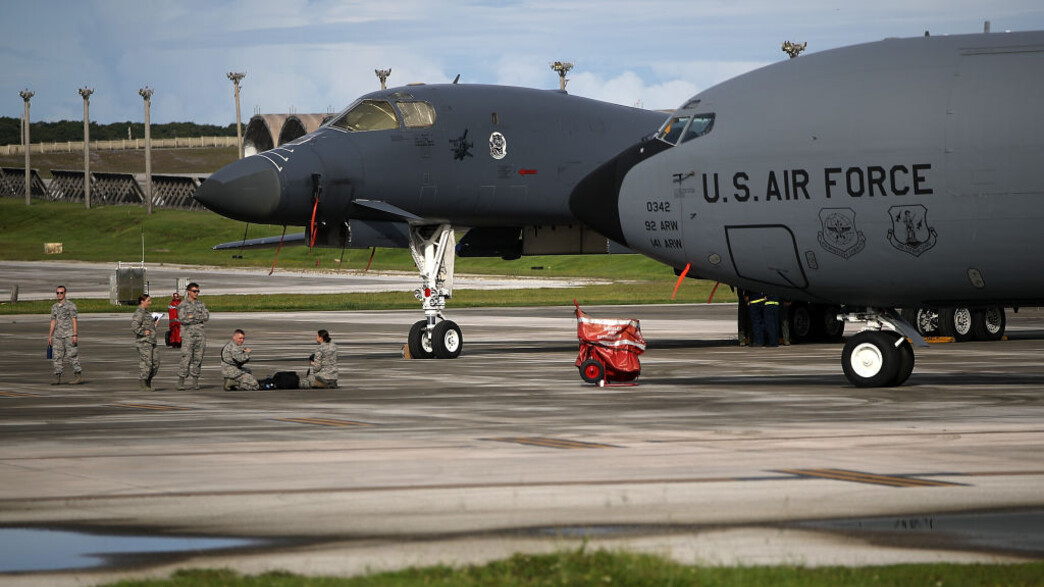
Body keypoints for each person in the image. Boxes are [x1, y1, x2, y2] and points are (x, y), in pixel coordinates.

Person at [48, 285, 84, 385]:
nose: (59, 295)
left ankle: (78, 375)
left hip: (69, 335)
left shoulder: (70, 306)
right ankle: (57, 376)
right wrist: (50, 336)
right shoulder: (54, 307)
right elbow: (53, 321)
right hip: (58, 336)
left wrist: (75, 334)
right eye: (58, 293)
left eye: (61, 293)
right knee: (57, 356)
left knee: (72, 355)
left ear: (65, 293)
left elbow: (74, 320)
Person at [176, 282, 209, 390]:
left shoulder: (201, 304)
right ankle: (181, 381)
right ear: (189, 292)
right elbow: (183, 319)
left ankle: (195, 381)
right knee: (186, 357)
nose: (196, 293)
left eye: (198, 291)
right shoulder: (183, 305)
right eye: (194, 291)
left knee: (198, 358)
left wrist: (193, 316)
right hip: (188, 335)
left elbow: (206, 316)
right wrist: (197, 317)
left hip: (200, 334)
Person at [131, 294, 161, 391]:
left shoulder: (146, 313)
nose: (150, 303)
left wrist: (154, 324)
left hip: (151, 341)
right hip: (144, 342)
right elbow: (135, 326)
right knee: (147, 363)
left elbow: (148, 326)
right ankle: (143, 383)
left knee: (156, 363)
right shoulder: (139, 313)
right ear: (142, 301)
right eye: (148, 301)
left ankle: (148, 381)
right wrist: (143, 332)